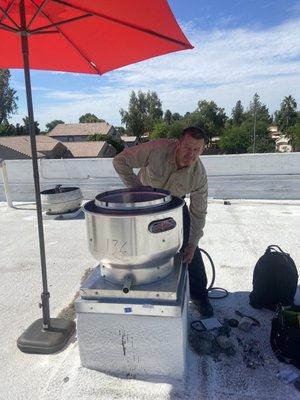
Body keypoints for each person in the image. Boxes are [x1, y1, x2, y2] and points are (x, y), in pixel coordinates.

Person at [112, 126, 213, 316]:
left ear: (202, 150)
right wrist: (138, 190)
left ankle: (200, 296)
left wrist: (193, 242)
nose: (191, 155)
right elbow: (120, 161)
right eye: (187, 148)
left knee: (191, 251)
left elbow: (198, 211)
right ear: (178, 144)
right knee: (139, 247)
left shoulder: (199, 175)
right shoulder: (156, 149)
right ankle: (138, 289)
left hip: (174, 205)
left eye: (197, 150)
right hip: (144, 203)